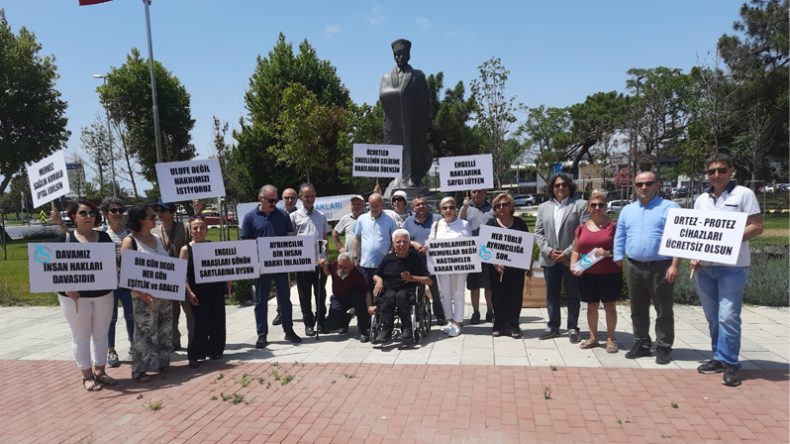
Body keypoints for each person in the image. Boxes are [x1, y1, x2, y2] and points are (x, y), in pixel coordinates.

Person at [692, 153, 763, 387]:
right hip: (705, 267)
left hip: (732, 267)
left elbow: (757, 226)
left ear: (731, 170)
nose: (716, 175)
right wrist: (694, 253)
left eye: (721, 170)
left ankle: (732, 362)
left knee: (728, 317)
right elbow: (695, 232)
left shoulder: (744, 194)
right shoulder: (702, 199)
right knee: (713, 318)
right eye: (711, 171)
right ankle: (718, 357)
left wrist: (729, 239)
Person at [613, 171, 680, 365]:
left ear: (657, 184)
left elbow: (678, 238)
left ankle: (663, 346)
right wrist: (618, 257)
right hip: (634, 266)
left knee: (663, 309)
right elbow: (620, 235)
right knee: (637, 308)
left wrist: (675, 264)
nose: (644, 187)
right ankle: (642, 343)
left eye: (649, 183)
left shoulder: (670, 207)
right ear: (634, 186)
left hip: (662, 266)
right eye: (639, 184)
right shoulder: (628, 210)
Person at [54, 200, 117, 391]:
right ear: (73, 216)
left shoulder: (104, 238)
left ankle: (100, 371)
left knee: (101, 334)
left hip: (103, 294)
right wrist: (66, 288)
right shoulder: (65, 240)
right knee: (81, 336)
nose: (88, 217)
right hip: (75, 298)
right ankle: (87, 376)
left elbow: (111, 263)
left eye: (91, 213)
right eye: (83, 213)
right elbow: (53, 270)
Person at [241, 185, 302, 348]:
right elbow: (245, 244)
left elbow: (290, 241)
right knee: (261, 302)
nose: (274, 203)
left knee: (285, 300)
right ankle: (262, 335)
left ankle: (289, 331)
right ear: (260, 199)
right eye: (271, 200)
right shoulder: (249, 217)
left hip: (281, 267)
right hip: (261, 268)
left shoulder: (282, 216)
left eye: (276, 200)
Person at [121, 205, 173, 382]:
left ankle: (161, 363)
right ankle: (139, 370)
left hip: (163, 294)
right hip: (143, 296)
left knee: (163, 329)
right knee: (144, 332)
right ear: (140, 219)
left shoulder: (157, 238)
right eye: (151, 216)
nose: (155, 218)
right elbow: (127, 273)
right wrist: (140, 292)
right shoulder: (130, 241)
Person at [534, 173, 588, 343]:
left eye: (564, 185)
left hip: (570, 259)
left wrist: (567, 252)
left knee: (573, 295)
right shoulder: (543, 207)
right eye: (557, 185)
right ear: (552, 188)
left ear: (569, 186)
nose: (560, 188)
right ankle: (553, 326)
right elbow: (538, 232)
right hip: (550, 259)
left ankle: (572, 327)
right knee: (552, 295)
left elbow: (583, 232)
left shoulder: (580, 205)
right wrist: (548, 251)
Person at [570, 190, 622, 353]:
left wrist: (607, 253)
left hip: (610, 274)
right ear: (588, 207)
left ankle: (610, 338)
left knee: (610, 307)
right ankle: (593, 337)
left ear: (606, 206)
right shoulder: (581, 227)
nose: (597, 208)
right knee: (591, 307)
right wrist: (573, 266)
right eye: (593, 205)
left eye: (601, 205)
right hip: (588, 275)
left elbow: (621, 251)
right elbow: (576, 250)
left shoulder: (614, 226)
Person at [379, 39, 431, 189]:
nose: (400, 57)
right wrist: (401, 95)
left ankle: (412, 178)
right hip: (394, 125)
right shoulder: (387, 77)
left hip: (412, 124)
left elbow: (424, 101)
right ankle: (398, 178)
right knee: (396, 152)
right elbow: (383, 95)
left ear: (408, 55)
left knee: (414, 152)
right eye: (397, 55)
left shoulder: (417, 76)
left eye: (403, 54)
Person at [180, 217, 231, 368]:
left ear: (207, 230)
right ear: (190, 230)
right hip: (197, 291)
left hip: (215, 289)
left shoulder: (213, 246)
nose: (198, 231)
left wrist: (229, 281)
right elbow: (181, 274)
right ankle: (195, 355)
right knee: (199, 324)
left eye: (202, 227)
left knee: (217, 321)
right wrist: (189, 292)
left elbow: (223, 266)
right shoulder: (185, 249)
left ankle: (215, 350)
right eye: (195, 228)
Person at [369, 229, 433, 343]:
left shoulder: (417, 258)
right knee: (389, 297)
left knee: (401, 296)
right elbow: (375, 275)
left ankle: (407, 329)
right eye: (398, 242)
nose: (402, 244)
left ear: (409, 243)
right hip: (390, 288)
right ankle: (386, 330)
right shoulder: (388, 259)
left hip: (409, 289)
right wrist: (379, 280)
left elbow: (429, 281)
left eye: (405, 241)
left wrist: (412, 278)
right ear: (393, 243)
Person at [481, 194, 530, 338]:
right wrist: (494, 262)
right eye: (498, 205)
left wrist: (528, 264)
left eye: (504, 204)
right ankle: (499, 324)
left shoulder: (520, 223)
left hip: (516, 270)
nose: (501, 208)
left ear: (511, 207)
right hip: (496, 269)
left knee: (514, 297)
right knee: (497, 297)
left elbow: (525, 246)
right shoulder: (490, 224)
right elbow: (484, 247)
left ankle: (513, 325)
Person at [152, 200, 193, 351]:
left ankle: (193, 340)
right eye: (158, 210)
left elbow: (193, 245)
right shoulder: (155, 232)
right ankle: (174, 341)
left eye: (163, 211)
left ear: (171, 212)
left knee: (190, 311)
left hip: (183, 276)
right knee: (170, 313)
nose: (160, 214)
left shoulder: (184, 228)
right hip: (166, 277)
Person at [427, 197, 471, 337]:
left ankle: (458, 322)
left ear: (455, 209)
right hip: (442, 265)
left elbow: (470, 244)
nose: (448, 210)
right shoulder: (436, 225)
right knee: (444, 293)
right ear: (440, 210)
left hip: (460, 265)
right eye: (445, 208)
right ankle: (449, 320)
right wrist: (427, 247)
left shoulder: (464, 224)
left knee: (458, 292)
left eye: (451, 207)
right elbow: (431, 242)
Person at [290, 183, 330, 336]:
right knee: (304, 295)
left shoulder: (321, 216)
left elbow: (324, 238)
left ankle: (321, 321)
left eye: (312, 196)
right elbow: (290, 240)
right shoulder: (294, 217)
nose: (310, 199)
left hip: (319, 262)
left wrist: (324, 258)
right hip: (303, 263)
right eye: (306, 196)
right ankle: (308, 323)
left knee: (320, 294)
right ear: (300, 197)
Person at [100, 198, 133, 368]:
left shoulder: (130, 233)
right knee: (110, 318)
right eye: (114, 210)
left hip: (128, 284)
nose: (118, 213)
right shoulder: (100, 234)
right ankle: (111, 349)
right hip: (109, 285)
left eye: (121, 210)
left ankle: (134, 346)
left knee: (131, 316)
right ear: (106, 214)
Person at [403, 194, 445, 324]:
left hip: (435, 260)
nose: (421, 206)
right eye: (417, 204)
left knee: (436, 290)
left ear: (427, 205)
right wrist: (413, 243)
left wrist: (432, 244)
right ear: (413, 207)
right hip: (416, 261)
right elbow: (403, 239)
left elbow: (446, 235)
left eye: (423, 204)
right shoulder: (408, 222)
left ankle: (440, 315)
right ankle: (419, 314)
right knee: (417, 290)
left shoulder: (437, 219)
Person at [460, 189, 494, 324]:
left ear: (485, 193)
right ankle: (475, 312)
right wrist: (465, 207)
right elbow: (459, 223)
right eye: (474, 192)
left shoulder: (492, 208)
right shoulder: (466, 208)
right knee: (474, 285)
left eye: (480, 192)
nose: (476, 194)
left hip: (488, 251)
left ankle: (490, 311)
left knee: (489, 285)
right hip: (472, 251)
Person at [319, 252, 371, 342]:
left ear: (352, 266)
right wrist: (324, 266)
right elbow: (327, 273)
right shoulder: (335, 264)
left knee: (360, 302)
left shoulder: (359, 273)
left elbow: (367, 292)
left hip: (355, 297)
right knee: (332, 325)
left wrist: (369, 306)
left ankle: (363, 330)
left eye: (345, 268)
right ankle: (346, 319)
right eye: (340, 266)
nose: (342, 269)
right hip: (339, 297)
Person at [352, 193, 398, 286]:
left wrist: (391, 253)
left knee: (381, 292)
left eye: (376, 206)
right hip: (365, 265)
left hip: (383, 264)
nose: (374, 209)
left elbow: (394, 239)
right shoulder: (362, 219)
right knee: (366, 292)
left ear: (382, 205)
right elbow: (357, 239)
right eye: (372, 206)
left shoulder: (390, 220)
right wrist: (355, 257)